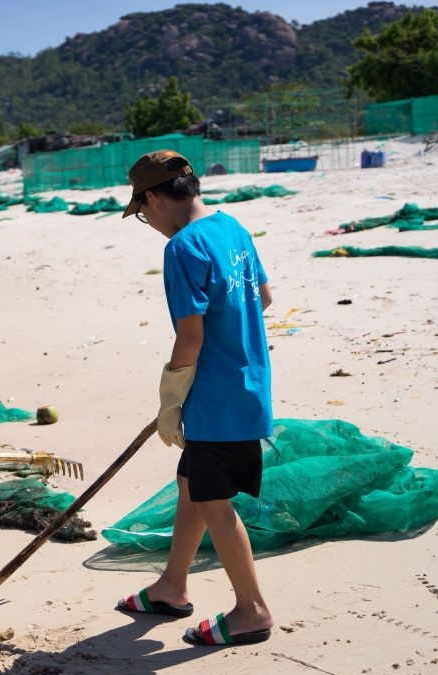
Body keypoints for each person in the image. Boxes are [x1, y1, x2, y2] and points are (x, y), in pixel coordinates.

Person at [115, 150, 275, 647]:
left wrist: (171, 395)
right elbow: (264, 298)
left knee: (211, 496)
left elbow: (190, 336)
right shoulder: (234, 228)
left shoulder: (182, 248)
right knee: (191, 483)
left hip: (215, 398)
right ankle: (172, 586)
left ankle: (252, 609)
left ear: (156, 197)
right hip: (250, 385)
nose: (149, 222)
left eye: (143, 212)